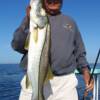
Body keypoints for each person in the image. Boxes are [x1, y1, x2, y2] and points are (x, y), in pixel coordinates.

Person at [11, 0, 94, 100]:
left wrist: (85, 71)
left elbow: (79, 51)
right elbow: (16, 45)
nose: (53, 1)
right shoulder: (31, 19)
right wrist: (28, 20)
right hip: (34, 79)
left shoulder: (70, 22)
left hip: (65, 85)